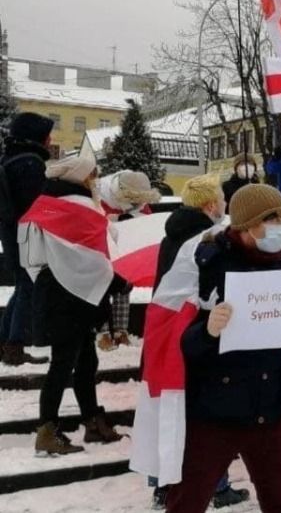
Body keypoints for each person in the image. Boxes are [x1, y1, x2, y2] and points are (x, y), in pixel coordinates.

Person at [166, 184, 281, 513]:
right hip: (213, 414)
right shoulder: (208, 265)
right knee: (186, 502)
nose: (280, 228)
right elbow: (180, 343)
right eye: (271, 220)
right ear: (246, 225)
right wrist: (208, 331)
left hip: (270, 412)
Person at [145, 174, 247, 510]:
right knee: (203, 415)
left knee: (169, 409)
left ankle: (162, 483)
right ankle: (216, 486)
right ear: (209, 204)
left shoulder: (171, 233)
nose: (224, 204)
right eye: (221, 198)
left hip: (166, 330)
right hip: (196, 333)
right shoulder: (205, 237)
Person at [19, 155, 128, 455]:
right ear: (81, 177)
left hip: (54, 291)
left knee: (82, 361)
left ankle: (91, 420)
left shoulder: (42, 203)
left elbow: (31, 255)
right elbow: (95, 257)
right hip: (76, 298)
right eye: (92, 175)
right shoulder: (80, 207)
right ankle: (47, 431)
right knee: (66, 364)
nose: (95, 180)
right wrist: (116, 280)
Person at [0, 112, 54, 366]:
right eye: (47, 135)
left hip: (12, 233)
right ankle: (13, 346)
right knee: (28, 287)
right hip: (26, 235)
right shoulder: (30, 164)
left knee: (23, 286)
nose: (50, 139)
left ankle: (7, 343)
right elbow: (36, 204)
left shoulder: (12, 158)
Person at [95, 170, 161, 351]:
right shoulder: (99, 197)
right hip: (102, 250)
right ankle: (103, 331)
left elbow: (145, 224)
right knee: (101, 289)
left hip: (125, 252)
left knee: (124, 286)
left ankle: (120, 330)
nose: (137, 204)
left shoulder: (141, 204)